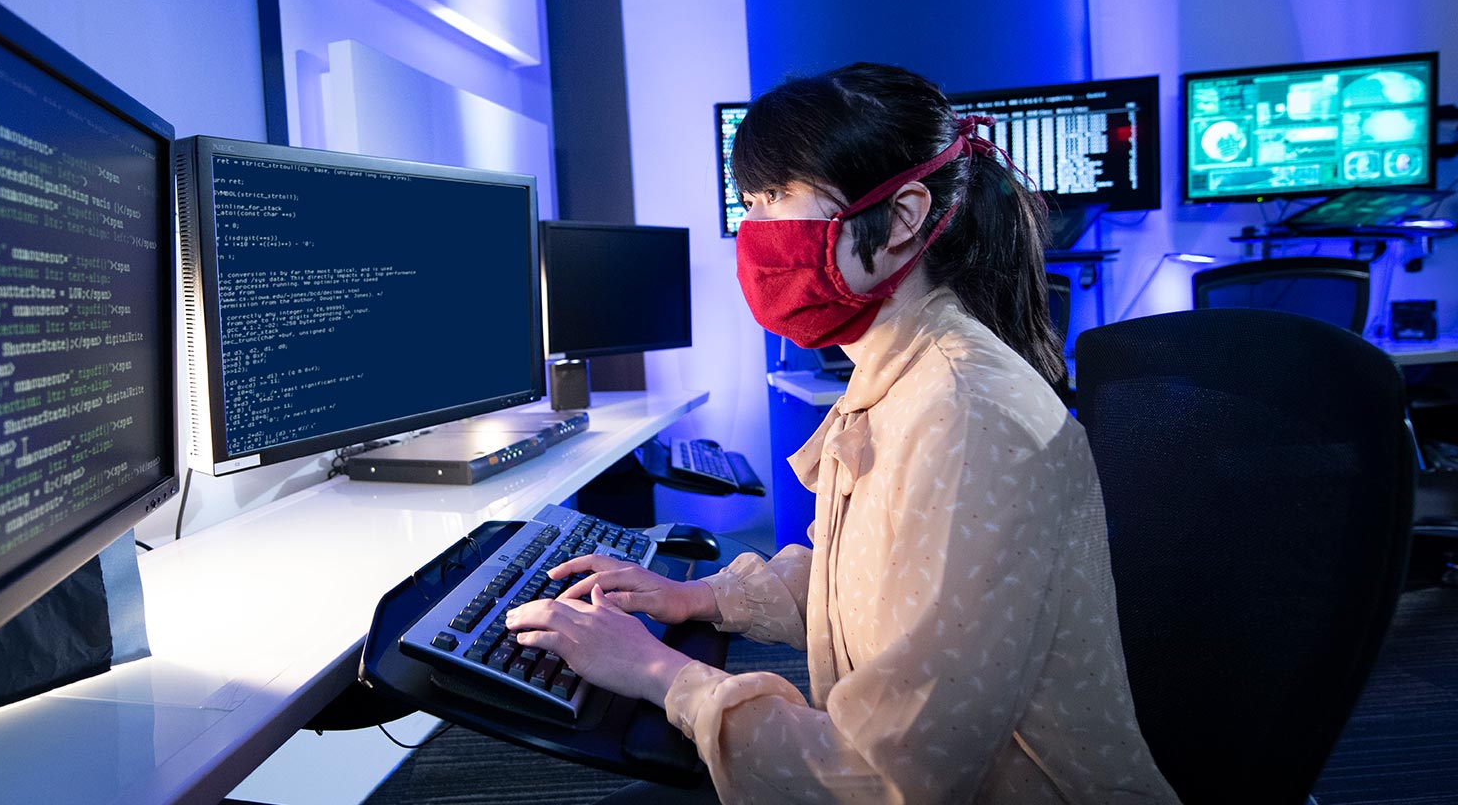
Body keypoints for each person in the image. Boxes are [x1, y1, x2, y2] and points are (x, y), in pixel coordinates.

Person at [504, 63, 1181, 803]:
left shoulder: (966, 414)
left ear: (899, 218)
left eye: (774, 201)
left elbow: (888, 780)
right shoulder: (905, 370)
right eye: (748, 202)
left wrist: (659, 673)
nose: (753, 232)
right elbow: (867, 591)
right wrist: (694, 599)